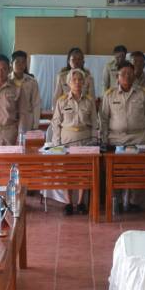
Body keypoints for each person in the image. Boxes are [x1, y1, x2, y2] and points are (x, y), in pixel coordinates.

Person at [101, 61, 145, 211]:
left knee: (137, 172)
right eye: (123, 73)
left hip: (138, 139)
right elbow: (104, 119)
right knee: (116, 172)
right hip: (116, 140)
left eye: (130, 73)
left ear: (134, 76)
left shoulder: (143, 94)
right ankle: (117, 201)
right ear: (117, 77)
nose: (127, 76)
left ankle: (134, 202)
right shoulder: (109, 95)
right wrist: (103, 139)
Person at [50, 68, 98, 215]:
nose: (77, 83)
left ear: (84, 82)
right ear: (69, 83)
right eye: (74, 80)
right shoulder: (62, 100)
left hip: (84, 141)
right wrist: (57, 144)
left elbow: (95, 123)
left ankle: (80, 202)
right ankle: (68, 202)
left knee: (83, 172)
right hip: (66, 141)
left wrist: (93, 143)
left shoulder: (90, 101)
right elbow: (56, 123)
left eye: (80, 80)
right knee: (67, 173)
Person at [10, 50, 41, 133]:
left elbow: (36, 104)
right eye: (17, 62)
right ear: (11, 63)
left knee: (26, 144)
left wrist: (35, 125)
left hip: (27, 121)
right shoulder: (7, 81)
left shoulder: (32, 81)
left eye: (23, 62)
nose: (20, 65)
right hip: (10, 121)